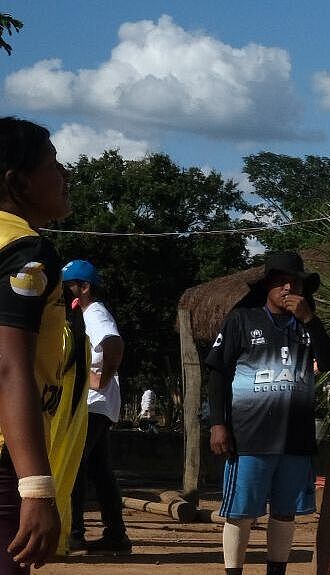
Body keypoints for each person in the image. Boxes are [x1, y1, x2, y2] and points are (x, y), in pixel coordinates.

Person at [204, 251, 330, 575]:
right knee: (241, 512)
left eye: (295, 283)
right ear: (267, 286)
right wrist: (218, 424)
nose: (288, 289)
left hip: (295, 439)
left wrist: (311, 320)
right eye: (280, 282)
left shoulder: (309, 325)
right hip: (250, 437)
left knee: (285, 513)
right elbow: (217, 373)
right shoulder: (242, 318)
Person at [0, 117, 88, 573]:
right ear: (20, 182)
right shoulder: (23, 250)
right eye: (53, 164)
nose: (65, 175)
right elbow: (9, 367)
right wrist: (35, 488)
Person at [60, 260, 131, 555]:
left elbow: (113, 342)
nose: (63, 294)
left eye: (67, 287)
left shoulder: (94, 312)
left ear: (84, 287)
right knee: (101, 471)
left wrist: (99, 379)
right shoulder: (83, 314)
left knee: (75, 466)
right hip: (99, 405)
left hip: (93, 404)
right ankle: (116, 534)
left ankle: (75, 534)